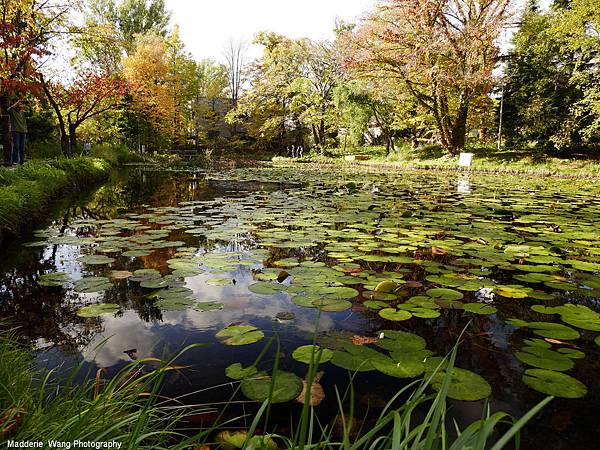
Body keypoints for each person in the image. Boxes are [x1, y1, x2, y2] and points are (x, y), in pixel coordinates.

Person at [7, 99, 27, 166]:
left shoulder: (22, 112)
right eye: (20, 104)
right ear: (17, 105)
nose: (21, 105)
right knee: (16, 146)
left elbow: (30, 113)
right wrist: (16, 102)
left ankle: (22, 162)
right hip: (16, 131)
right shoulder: (12, 111)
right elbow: (8, 110)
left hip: (23, 131)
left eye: (22, 104)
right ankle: (15, 161)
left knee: (22, 147)